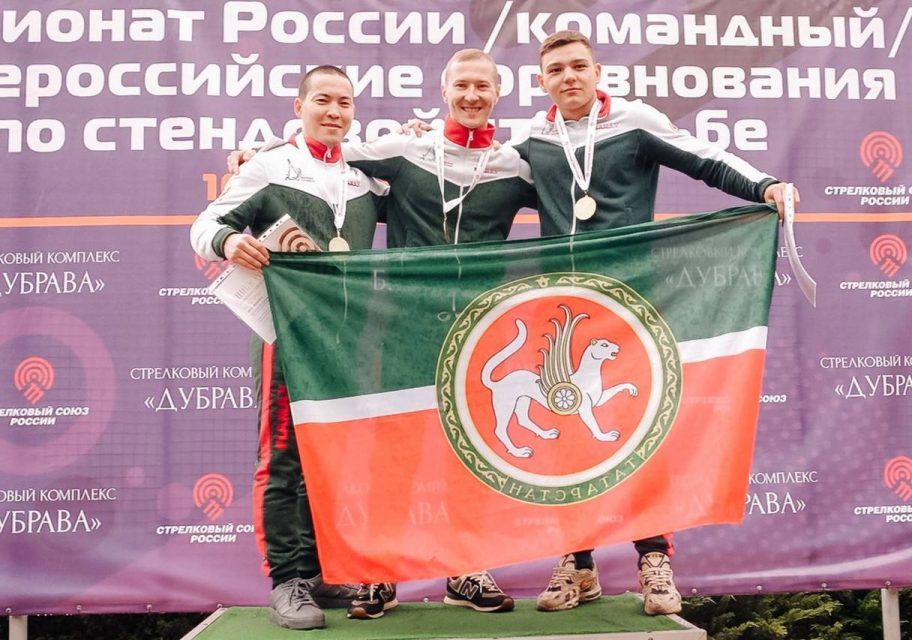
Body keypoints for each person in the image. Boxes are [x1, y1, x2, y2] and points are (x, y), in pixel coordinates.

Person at [231, 49, 536, 620]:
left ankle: (466, 567)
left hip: (475, 331)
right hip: (398, 329)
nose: (472, 96)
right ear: (444, 92)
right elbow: (322, 150)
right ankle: (377, 568)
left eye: (483, 87)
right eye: (462, 85)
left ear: (499, 93)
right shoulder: (403, 150)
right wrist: (262, 151)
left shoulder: (515, 165)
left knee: (468, 449)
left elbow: (572, 211)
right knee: (390, 452)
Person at [516, 30, 799, 616]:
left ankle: (654, 561)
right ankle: (577, 563)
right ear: (542, 82)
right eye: (556, 70)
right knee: (570, 437)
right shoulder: (534, 141)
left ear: (597, 73)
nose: (569, 77)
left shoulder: (635, 121)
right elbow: (470, 182)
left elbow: (705, 160)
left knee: (641, 431)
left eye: (578, 66)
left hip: (632, 310)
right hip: (565, 314)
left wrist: (764, 185)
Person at [190, 65, 388, 631]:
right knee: (282, 458)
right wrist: (230, 239)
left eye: (344, 102)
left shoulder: (365, 179)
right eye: (322, 100)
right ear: (299, 107)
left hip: (345, 340)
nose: (334, 111)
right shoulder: (269, 167)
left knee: (326, 458)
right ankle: (287, 580)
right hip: (285, 336)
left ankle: (317, 572)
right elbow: (204, 225)